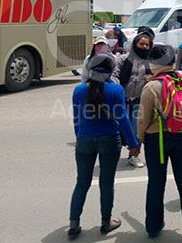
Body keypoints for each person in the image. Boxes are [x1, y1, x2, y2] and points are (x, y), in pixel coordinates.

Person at [68, 54, 140, 238]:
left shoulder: (79, 90)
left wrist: (80, 136)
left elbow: (76, 119)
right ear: (110, 71)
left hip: (84, 139)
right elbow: (123, 119)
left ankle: (74, 224)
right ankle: (106, 222)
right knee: (106, 184)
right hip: (109, 139)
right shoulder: (115, 90)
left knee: (81, 183)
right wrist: (133, 144)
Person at [138, 44, 182, 241]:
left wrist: (140, 139)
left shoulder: (151, 87)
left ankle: (153, 227)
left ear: (152, 63)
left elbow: (143, 119)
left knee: (156, 182)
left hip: (157, 139)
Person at [112, 27, 154, 168]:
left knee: (136, 129)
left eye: (146, 45)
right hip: (122, 99)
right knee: (120, 128)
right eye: (141, 44)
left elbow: (159, 78)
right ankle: (112, 154)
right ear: (135, 44)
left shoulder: (151, 63)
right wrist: (117, 89)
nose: (144, 47)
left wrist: (152, 79)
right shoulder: (123, 59)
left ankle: (133, 155)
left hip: (139, 101)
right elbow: (114, 75)